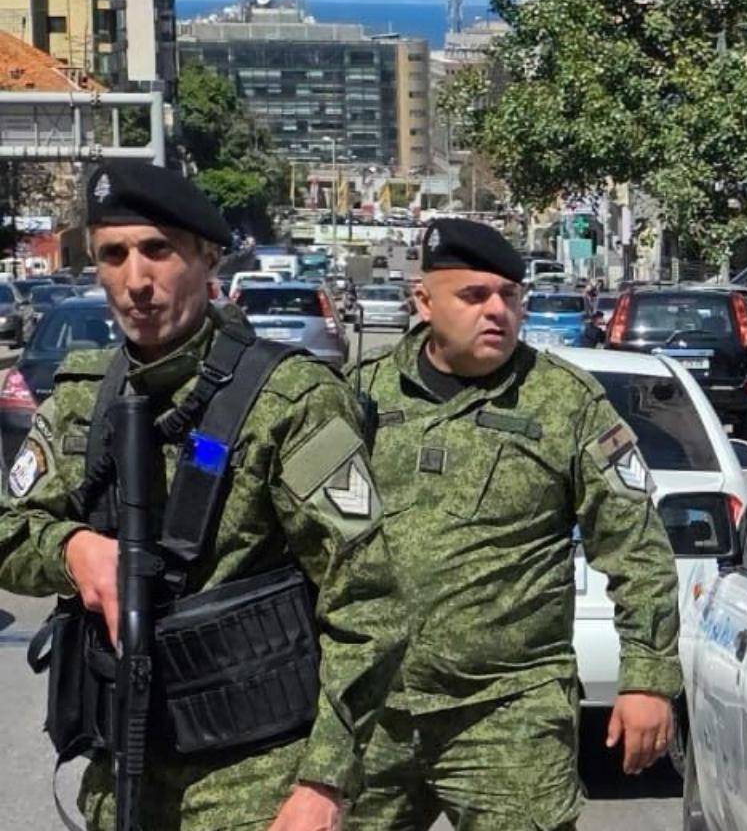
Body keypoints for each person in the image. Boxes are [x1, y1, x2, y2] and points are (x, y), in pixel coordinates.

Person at [0, 160, 405, 830]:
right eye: (114, 255)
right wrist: (71, 549)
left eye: (158, 250)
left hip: (255, 780)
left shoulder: (289, 402)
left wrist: (325, 784)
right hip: (120, 773)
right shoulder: (81, 400)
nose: (137, 280)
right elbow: (11, 532)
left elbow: (368, 601)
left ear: (206, 256)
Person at [349, 219, 681, 829]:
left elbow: (637, 548)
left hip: (509, 712)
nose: (497, 310)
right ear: (424, 301)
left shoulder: (564, 403)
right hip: (373, 711)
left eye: (509, 295)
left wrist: (648, 681)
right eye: (474, 296)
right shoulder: (360, 397)